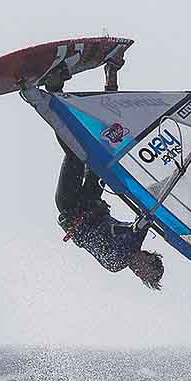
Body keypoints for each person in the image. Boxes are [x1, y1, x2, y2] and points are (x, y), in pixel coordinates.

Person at [46, 57, 164, 291]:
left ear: (138, 276)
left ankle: (53, 90)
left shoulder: (115, 263)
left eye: (143, 272)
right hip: (91, 200)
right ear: (149, 255)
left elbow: (117, 233)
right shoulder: (137, 239)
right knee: (107, 148)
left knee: (74, 155)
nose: (141, 266)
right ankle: (111, 75)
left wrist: (140, 225)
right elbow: (145, 216)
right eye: (148, 263)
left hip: (71, 208)